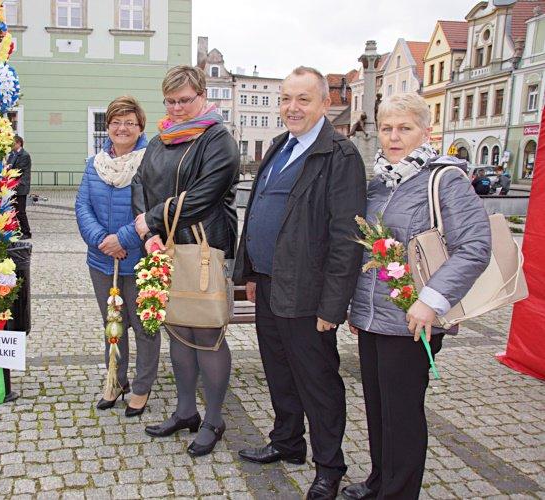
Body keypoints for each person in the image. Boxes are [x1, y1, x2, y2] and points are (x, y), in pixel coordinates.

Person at [344, 93, 491, 499]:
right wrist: (360, 309)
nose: (394, 137)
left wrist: (432, 300)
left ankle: (398, 492)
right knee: (378, 408)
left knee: (403, 414)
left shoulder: (444, 179)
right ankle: (379, 480)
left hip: (414, 318)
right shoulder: (380, 182)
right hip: (375, 318)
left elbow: (475, 246)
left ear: (426, 131)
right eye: (387, 128)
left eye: (404, 128)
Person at [233, 66, 366, 500]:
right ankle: (287, 441)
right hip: (270, 284)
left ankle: (329, 466)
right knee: (278, 371)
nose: (292, 107)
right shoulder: (279, 145)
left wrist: (333, 306)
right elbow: (256, 212)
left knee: (318, 381)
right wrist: (250, 272)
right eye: (287, 98)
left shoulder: (339, 156)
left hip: (308, 294)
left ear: (325, 104)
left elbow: (348, 237)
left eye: (303, 99)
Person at [133, 65, 239, 457]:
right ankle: (184, 411)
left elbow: (204, 196)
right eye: (171, 101)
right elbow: (140, 186)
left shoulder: (218, 139)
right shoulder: (161, 140)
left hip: (204, 244)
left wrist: (152, 219)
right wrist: (150, 233)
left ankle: (214, 419)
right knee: (178, 330)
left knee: (206, 333)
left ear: (202, 96)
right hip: (166, 246)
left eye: (185, 100)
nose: (177, 108)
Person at [75, 96, 161, 417]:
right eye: (115, 122)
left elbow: (154, 210)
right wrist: (102, 240)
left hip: (139, 260)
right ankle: (116, 379)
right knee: (113, 324)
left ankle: (142, 385)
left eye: (129, 122)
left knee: (144, 326)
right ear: (107, 126)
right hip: (101, 261)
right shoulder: (94, 164)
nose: (122, 128)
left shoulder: (151, 162)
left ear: (140, 126)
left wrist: (122, 239)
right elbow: (82, 207)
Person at [8, 136, 32, 239]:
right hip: (12, 186)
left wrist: (7, 170)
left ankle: (26, 232)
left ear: (19, 143)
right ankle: (16, 230)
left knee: (21, 211)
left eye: (13, 143)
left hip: (20, 187)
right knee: (13, 210)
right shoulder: (12, 154)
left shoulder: (24, 155)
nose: (11, 145)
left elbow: (18, 171)